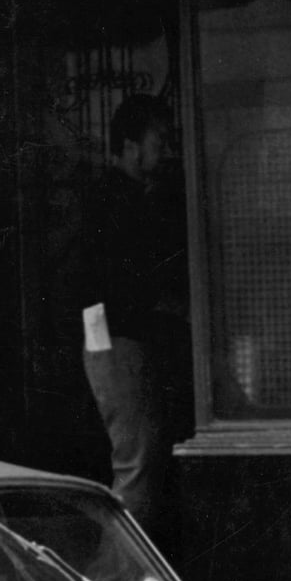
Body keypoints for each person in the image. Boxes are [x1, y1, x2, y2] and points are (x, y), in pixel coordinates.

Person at [76, 93, 190, 537]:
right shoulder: (116, 203)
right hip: (119, 341)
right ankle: (115, 578)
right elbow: (117, 286)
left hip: (117, 340)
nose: (165, 148)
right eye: (158, 139)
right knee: (138, 464)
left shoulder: (124, 198)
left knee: (139, 461)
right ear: (129, 146)